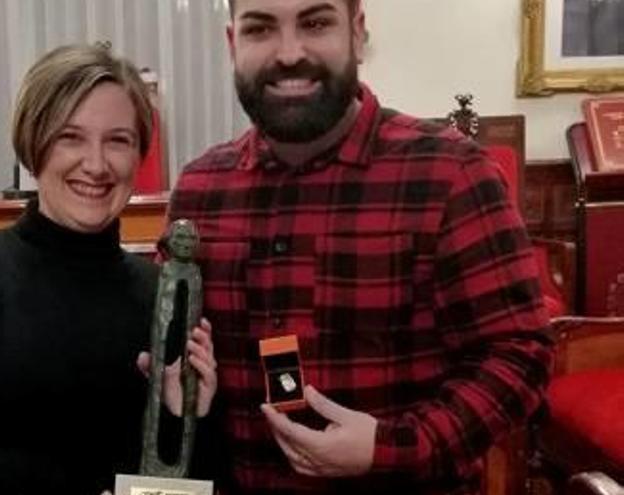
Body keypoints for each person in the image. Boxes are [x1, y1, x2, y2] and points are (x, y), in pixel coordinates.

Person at [166, 1, 553, 494]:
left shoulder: (451, 174)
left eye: (315, 23)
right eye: (260, 28)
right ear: (232, 44)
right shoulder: (199, 189)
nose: (289, 53)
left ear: (357, 32)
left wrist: (389, 449)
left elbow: (520, 356)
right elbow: (179, 350)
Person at [0, 44, 217, 495]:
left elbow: (183, 477)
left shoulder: (163, 293)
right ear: (33, 143)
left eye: (118, 140)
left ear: (139, 155)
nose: (96, 165)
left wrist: (185, 416)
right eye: (70, 137)